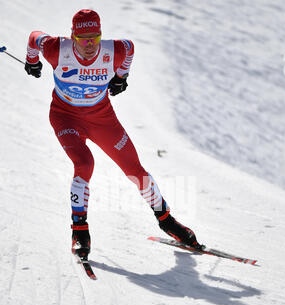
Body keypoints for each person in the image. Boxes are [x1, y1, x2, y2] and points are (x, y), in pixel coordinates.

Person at [25, 9, 201, 259]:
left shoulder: (114, 51)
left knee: (135, 170)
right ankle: (79, 230)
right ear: (72, 36)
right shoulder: (56, 49)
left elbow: (130, 48)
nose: (89, 44)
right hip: (66, 118)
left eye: (94, 38)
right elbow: (34, 36)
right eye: (83, 38)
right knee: (84, 163)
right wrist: (32, 59)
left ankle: (166, 220)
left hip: (102, 119)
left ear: (101, 35)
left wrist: (121, 76)